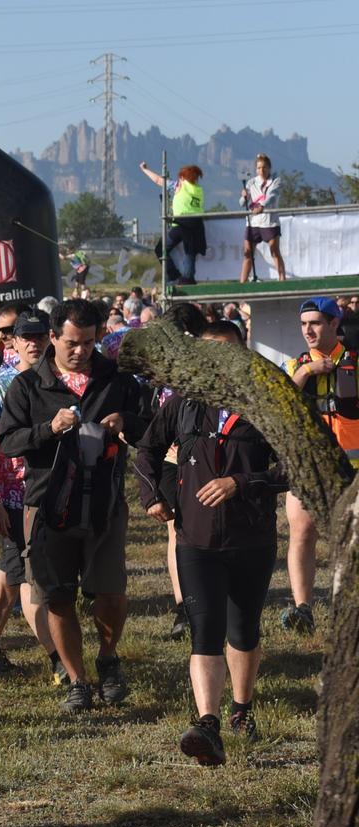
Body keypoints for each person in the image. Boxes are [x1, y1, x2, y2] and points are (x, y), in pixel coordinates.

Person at [134, 318, 285, 766]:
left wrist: (242, 482)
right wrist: (153, 497)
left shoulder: (266, 401)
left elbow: (291, 469)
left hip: (251, 539)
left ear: (243, 351)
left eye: (226, 351)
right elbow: (147, 450)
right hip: (195, 539)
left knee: (244, 632)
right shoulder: (182, 402)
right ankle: (208, 724)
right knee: (205, 632)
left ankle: (241, 709)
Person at [0, 298, 152, 714]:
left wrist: (126, 424)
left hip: (104, 501)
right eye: (70, 342)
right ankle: (77, 680)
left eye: (87, 342)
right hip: (47, 503)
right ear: (52, 337)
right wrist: (49, 428)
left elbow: (150, 428)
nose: (79, 351)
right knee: (56, 596)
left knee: (111, 590)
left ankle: (107, 657)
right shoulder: (28, 385)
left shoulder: (117, 380)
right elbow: (8, 441)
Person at [0, 313, 52, 675]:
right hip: (14, 498)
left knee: (10, 572)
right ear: (13, 343)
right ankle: (60, 661)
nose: (34, 343)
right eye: (26, 337)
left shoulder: (58, 381)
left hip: (50, 491)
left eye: (40, 336)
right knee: (26, 581)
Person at [281, 296, 359, 635]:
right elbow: (281, 405)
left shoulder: (355, 361)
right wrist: (306, 371)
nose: (308, 330)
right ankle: (303, 608)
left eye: (315, 323)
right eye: (303, 324)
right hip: (307, 467)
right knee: (302, 534)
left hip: (351, 469)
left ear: (334, 324)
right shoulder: (293, 365)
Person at [140, 159, 207, 284]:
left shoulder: (179, 186)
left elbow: (158, 180)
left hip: (181, 223)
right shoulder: (199, 190)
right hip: (196, 225)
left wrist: (145, 169)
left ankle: (173, 274)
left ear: (182, 177)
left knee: (161, 249)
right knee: (190, 251)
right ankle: (188, 278)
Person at [241, 153, 287, 282]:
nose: (262, 170)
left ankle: (282, 280)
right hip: (253, 222)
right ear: (256, 169)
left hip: (269, 222)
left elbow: (273, 195)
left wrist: (262, 206)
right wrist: (244, 196)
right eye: (259, 168)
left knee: (274, 251)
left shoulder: (276, 180)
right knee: (247, 254)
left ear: (269, 168)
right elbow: (242, 203)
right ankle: (241, 286)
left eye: (264, 167)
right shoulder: (251, 182)